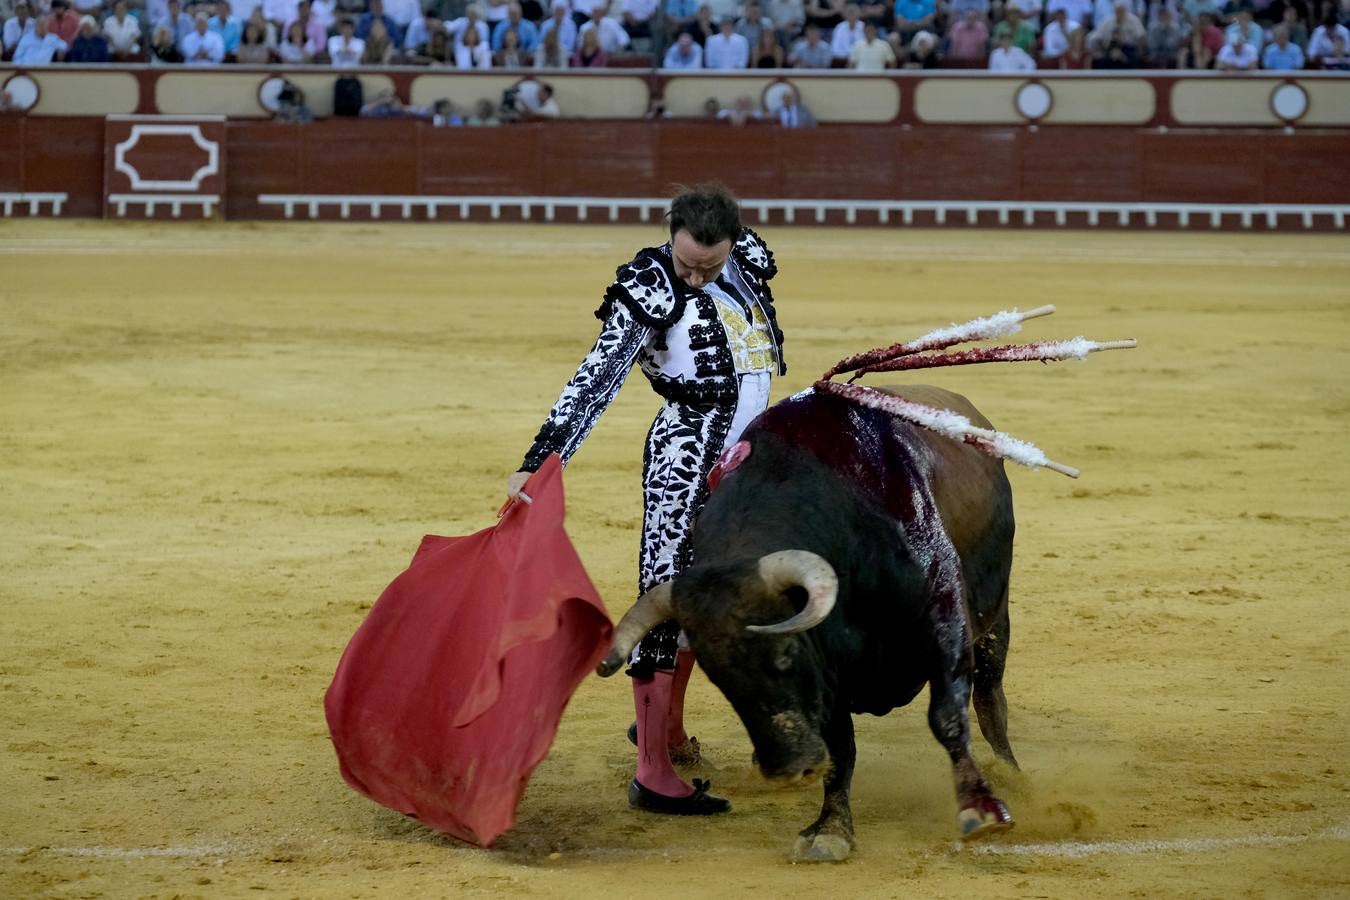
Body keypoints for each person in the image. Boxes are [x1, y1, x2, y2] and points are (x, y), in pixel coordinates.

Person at [505, 185, 785, 816]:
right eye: (686, 262)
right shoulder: (650, 282)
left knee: (715, 594)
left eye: (708, 266)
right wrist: (543, 459)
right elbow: (594, 379)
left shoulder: (749, 260)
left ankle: (670, 730)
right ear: (672, 234)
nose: (693, 275)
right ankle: (651, 772)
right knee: (666, 595)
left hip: (751, 459)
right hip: (685, 455)